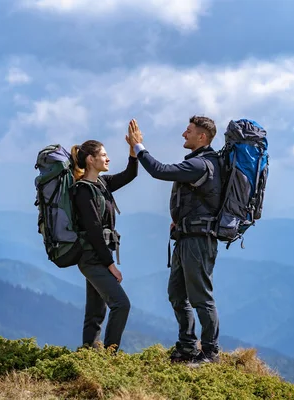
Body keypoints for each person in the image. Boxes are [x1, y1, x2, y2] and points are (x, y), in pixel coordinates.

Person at [126, 116, 222, 364]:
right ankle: (187, 347)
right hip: (186, 237)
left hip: (198, 241)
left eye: (188, 131)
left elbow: (160, 171)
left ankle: (210, 353)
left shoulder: (201, 165)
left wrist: (138, 147)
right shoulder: (200, 163)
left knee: (201, 296)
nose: (183, 134)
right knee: (177, 294)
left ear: (202, 137)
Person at [70, 138, 138, 351]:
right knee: (121, 304)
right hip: (91, 258)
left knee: (95, 311)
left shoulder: (102, 184)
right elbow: (94, 232)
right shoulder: (82, 191)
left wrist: (133, 148)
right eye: (103, 155)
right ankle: (110, 354)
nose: (108, 158)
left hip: (98, 256)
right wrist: (111, 266)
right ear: (91, 159)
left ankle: (88, 354)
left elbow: (130, 174)